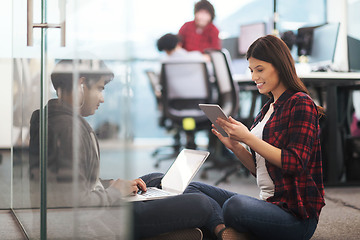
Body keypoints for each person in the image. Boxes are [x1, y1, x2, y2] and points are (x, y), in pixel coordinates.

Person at [29, 59, 212, 239]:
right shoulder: (69, 129)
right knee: (200, 203)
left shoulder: (52, 116)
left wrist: (113, 185)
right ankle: (222, 230)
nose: (102, 98)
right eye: (100, 89)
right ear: (81, 84)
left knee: (156, 179)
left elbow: (75, 183)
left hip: (97, 207)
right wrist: (115, 192)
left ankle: (218, 229)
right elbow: (75, 204)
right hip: (97, 221)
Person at [184, 35, 326, 240]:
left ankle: (218, 226)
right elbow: (261, 168)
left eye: (260, 69)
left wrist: (248, 139)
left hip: (295, 218)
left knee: (235, 206)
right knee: (193, 189)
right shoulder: (267, 109)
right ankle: (223, 232)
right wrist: (236, 146)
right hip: (267, 205)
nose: (254, 77)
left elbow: (295, 163)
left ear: (279, 66)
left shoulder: (300, 102)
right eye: (251, 71)